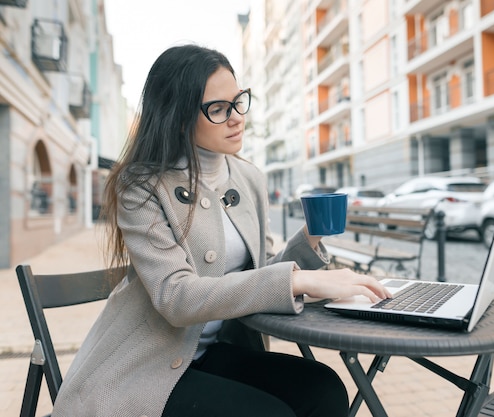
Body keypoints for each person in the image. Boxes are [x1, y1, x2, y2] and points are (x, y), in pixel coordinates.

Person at [50, 44, 391, 417]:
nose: (236, 118)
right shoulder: (141, 186)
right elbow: (175, 296)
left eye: (238, 101)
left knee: (324, 390)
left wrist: (310, 240)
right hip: (145, 367)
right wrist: (299, 281)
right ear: (178, 117)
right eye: (218, 109)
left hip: (211, 351)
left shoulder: (249, 178)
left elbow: (260, 275)